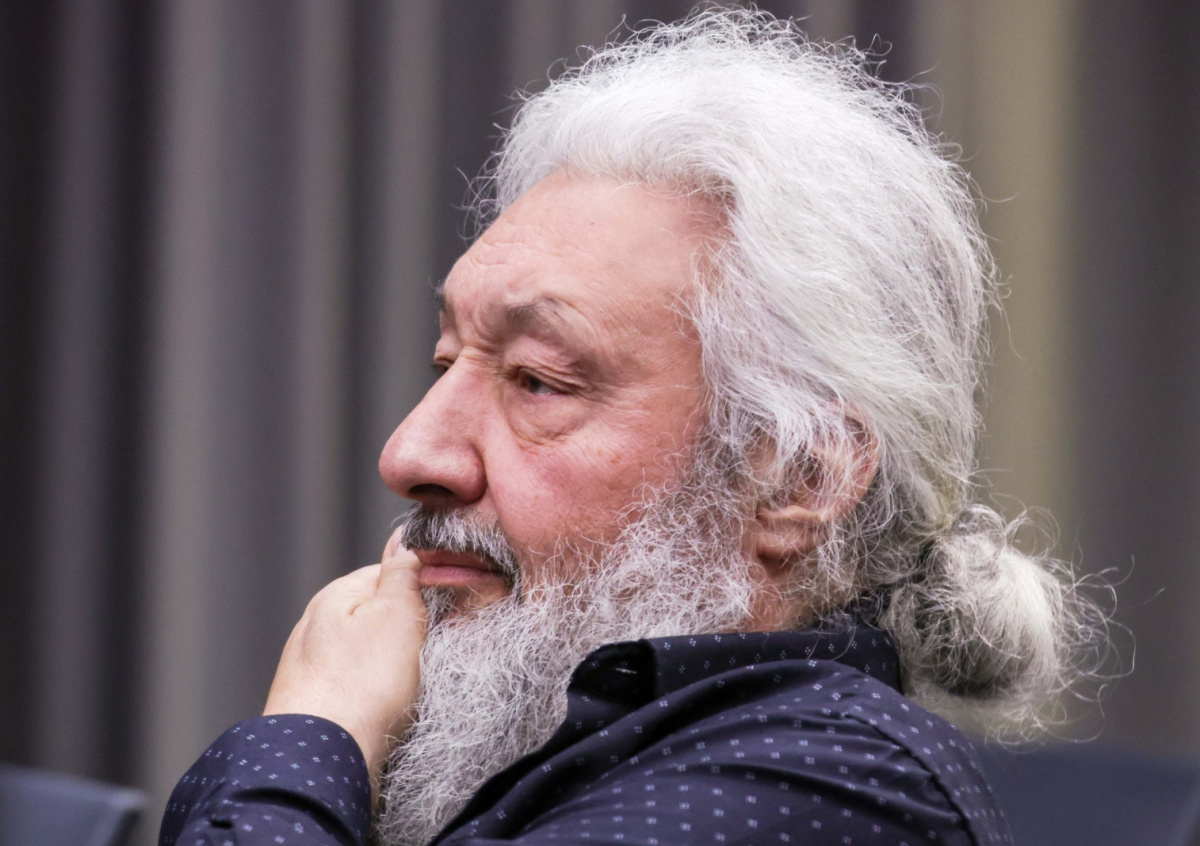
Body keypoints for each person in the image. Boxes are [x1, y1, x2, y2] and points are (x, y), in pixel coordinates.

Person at [159, 10, 1100, 846]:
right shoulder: (550, 736)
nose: (410, 454)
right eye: (448, 364)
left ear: (797, 479)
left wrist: (313, 734)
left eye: (539, 381)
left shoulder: (830, 783)